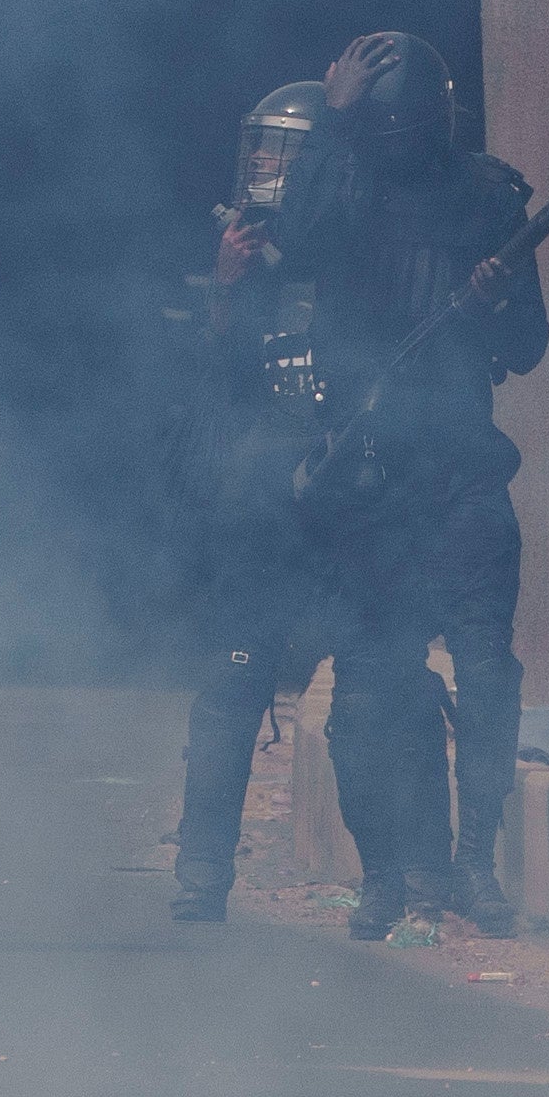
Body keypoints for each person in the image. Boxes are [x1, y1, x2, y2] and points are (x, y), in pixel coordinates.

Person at [282, 33, 548, 937]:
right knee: (368, 686)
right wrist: (333, 118)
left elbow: (527, 351)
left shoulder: (487, 199)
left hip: (461, 466)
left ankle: (476, 867)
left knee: (486, 672)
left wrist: (499, 299)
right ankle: (389, 873)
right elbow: (298, 241)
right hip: (368, 476)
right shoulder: (343, 185)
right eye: (381, 128)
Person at [171, 82, 363, 921]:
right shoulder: (233, 263)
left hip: (348, 510)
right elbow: (198, 397)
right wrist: (224, 293)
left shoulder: (358, 253)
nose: (268, 170)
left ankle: (393, 879)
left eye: (288, 154)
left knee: (367, 692)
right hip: (257, 513)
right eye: (262, 151)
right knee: (229, 692)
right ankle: (201, 876)